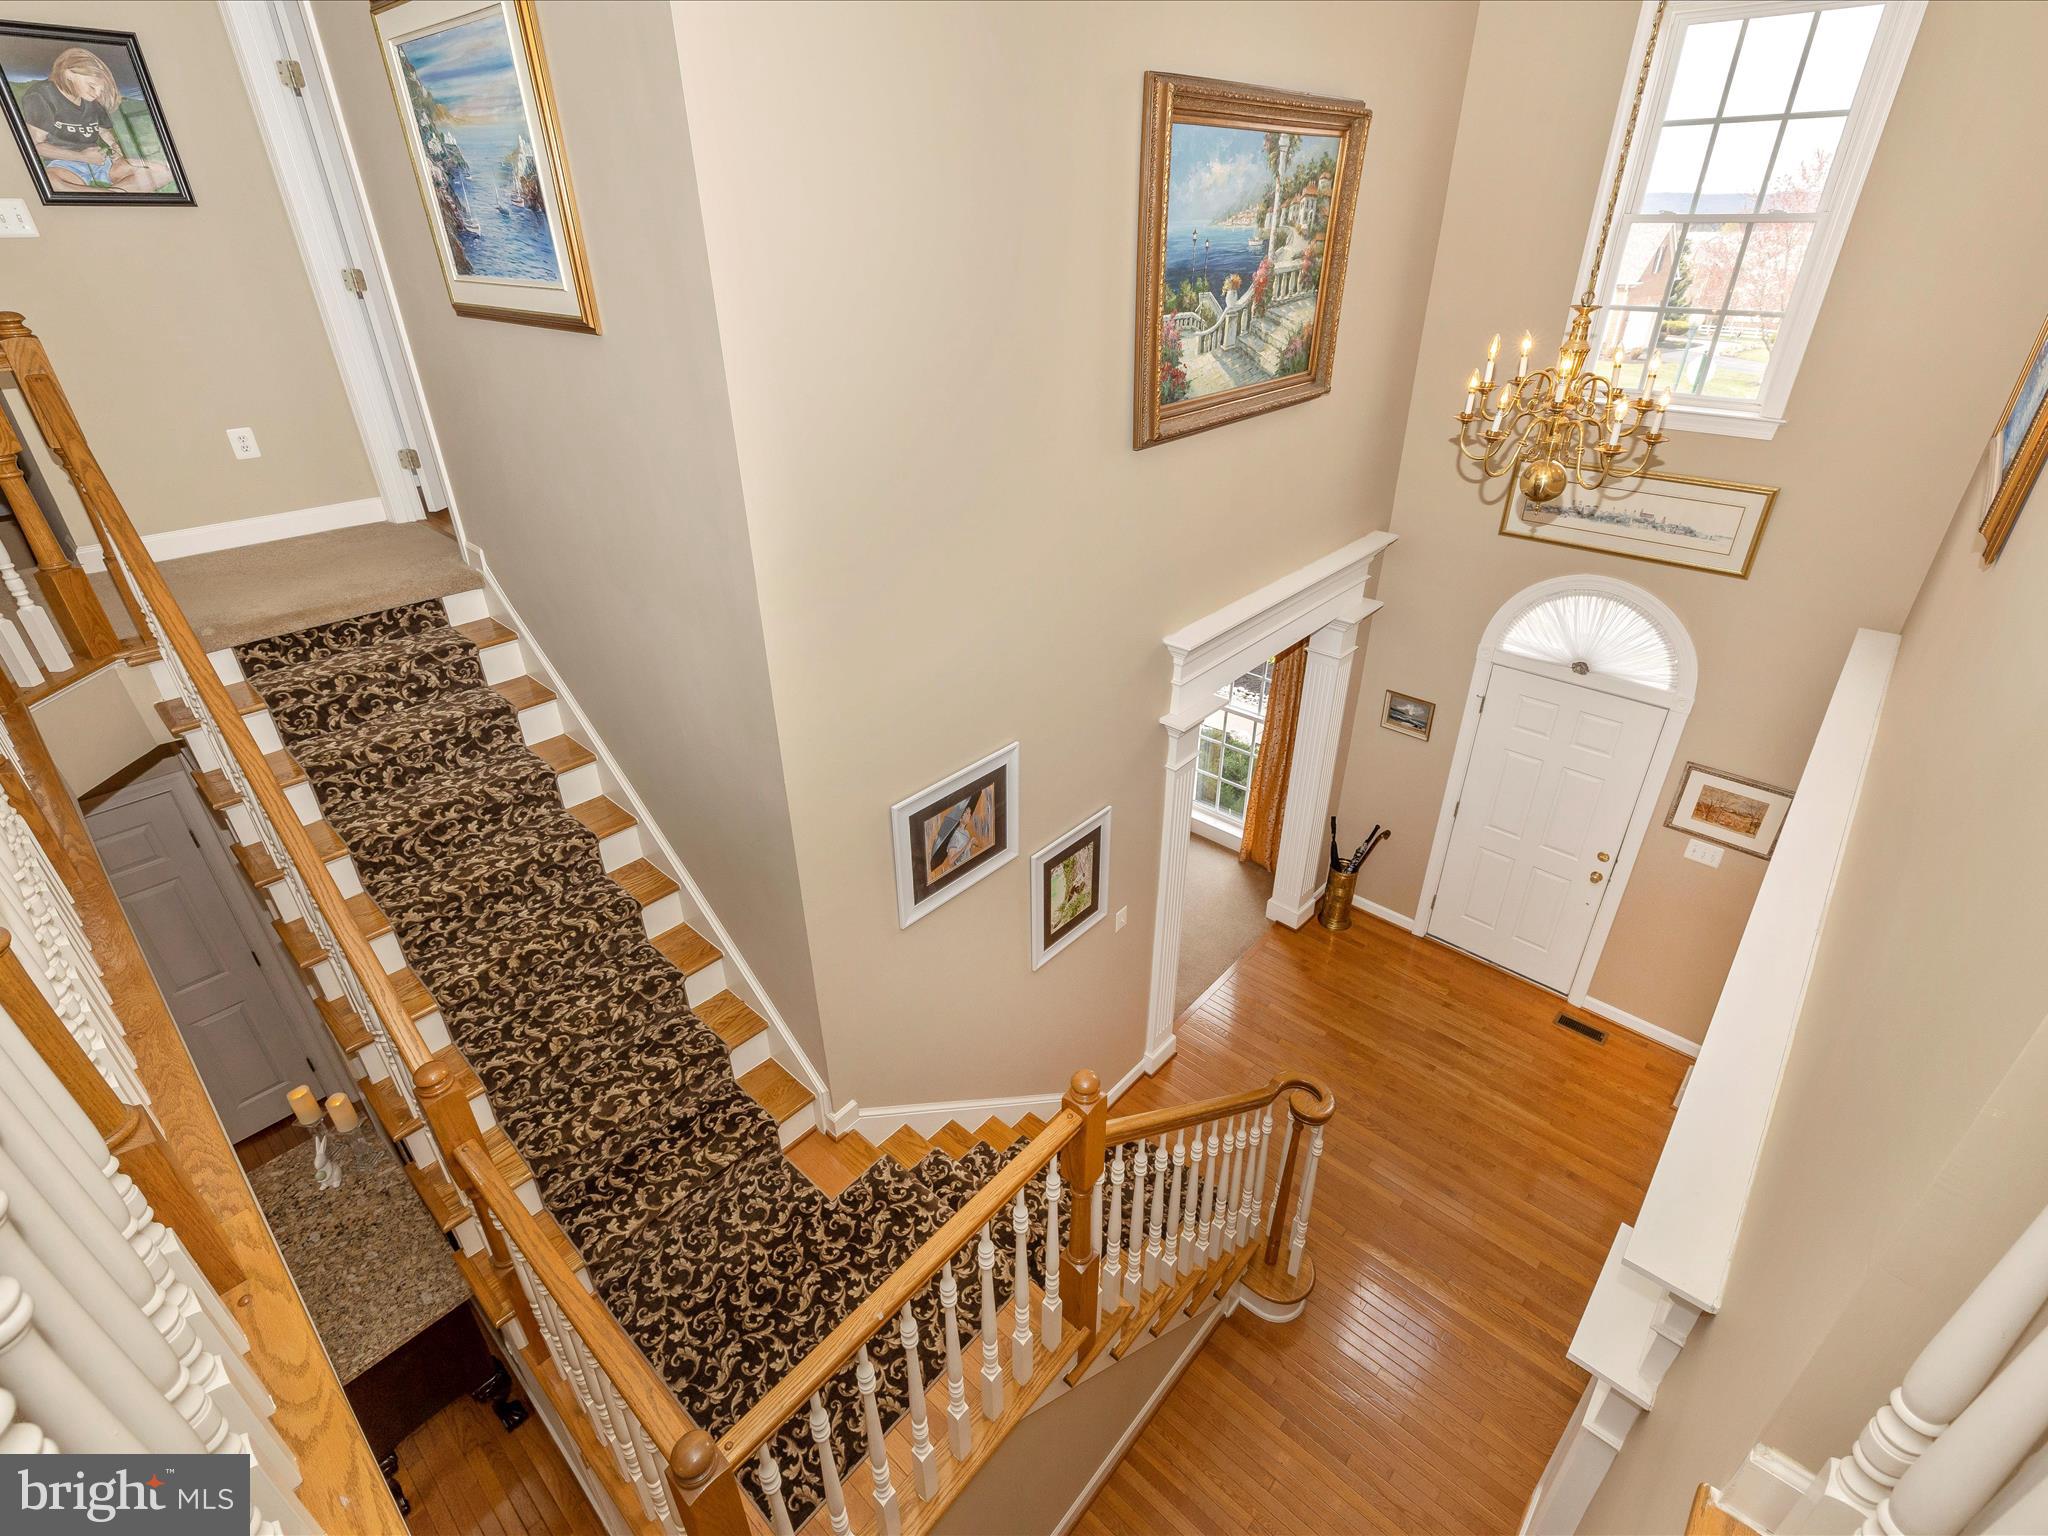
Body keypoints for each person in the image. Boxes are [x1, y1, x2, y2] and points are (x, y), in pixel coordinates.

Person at [15, 46, 172, 194]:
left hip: (101, 162)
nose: (96, 94)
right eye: (92, 86)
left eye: (100, 89)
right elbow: (35, 146)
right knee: (49, 180)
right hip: (64, 163)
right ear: (68, 73)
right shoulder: (41, 95)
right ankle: (113, 194)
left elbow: (104, 131)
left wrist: (115, 147)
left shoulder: (92, 100)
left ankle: (111, 195)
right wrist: (82, 157)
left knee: (164, 172)